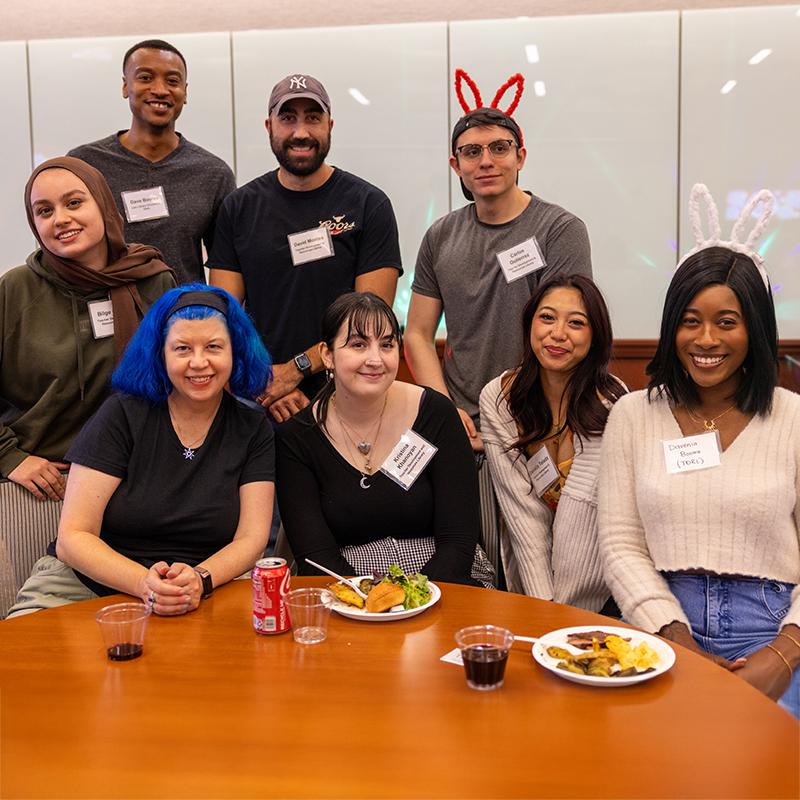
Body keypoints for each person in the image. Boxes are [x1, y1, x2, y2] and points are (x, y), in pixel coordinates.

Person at [598, 184, 800, 716]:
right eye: (691, 321)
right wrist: (673, 636)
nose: (706, 339)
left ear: (754, 330)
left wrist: (784, 653)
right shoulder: (633, 415)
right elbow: (620, 543)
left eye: (726, 322)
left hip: (777, 628)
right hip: (658, 623)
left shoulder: (794, 419)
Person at [404, 69, 592, 575]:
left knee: (550, 560)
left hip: (543, 423)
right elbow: (417, 334)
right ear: (455, 165)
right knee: (483, 556)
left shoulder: (559, 229)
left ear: (520, 156)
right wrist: (445, 410)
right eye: (471, 151)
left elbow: (570, 332)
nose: (486, 160)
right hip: (464, 425)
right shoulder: (440, 237)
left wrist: (533, 417)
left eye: (499, 148)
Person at [7, 285, 274, 617]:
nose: (199, 362)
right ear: (160, 353)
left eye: (214, 347)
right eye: (182, 348)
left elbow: (251, 538)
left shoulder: (253, 427)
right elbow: (73, 537)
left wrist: (200, 579)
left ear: (236, 351)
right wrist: (145, 585)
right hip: (87, 587)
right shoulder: (122, 413)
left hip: (207, 589)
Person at [209, 74, 402, 424]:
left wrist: (296, 369)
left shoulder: (368, 205)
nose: (301, 132)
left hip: (348, 399)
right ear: (269, 126)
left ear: (330, 125)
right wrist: (264, 381)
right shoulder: (238, 209)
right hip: (258, 403)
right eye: (288, 118)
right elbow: (221, 318)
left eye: (313, 118)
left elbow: (370, 319)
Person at [275, 292, 493, 586]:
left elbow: (458, 540)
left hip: (445, 583)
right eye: (358, 344)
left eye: (387, 344)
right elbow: (316, 557)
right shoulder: (298, 438)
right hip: (345, 588)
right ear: (327, 355)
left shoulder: (437, 414)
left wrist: (414, 598)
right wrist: (371, 602)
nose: (375, 359)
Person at [0, 156, 175, 502]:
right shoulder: (15, 290)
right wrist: (10, 457)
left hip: (140, 478)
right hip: (42, 484)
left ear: (104, 203)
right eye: (44, 211)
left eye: (74, 202)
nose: (61, 219)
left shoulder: (154, 280)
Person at [480, 275, 625, 611]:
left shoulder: (613, 404)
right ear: (530, 322)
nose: (557, 334)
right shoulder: (501, 399)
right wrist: (545, 606)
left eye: (576, 323)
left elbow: (588, 520)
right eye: (547, 317)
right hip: (535, 588)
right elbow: (522, 513)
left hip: (605, 587)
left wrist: (568, 612)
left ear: (595, 335)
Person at [68, 39, 236, 284]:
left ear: (185, 92)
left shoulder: (213, 173)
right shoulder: (85, 165)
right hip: (106, 315)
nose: (160, 89)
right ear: (125, 86)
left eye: (172, 81)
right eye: (145, 78)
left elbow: (227, 263)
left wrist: (216, 313)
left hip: (184, 316)